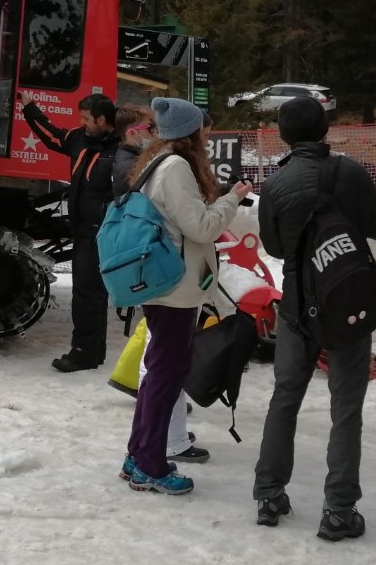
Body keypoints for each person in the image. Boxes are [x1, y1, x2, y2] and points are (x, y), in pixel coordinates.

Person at [252, 96, 376, 541]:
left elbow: (274, 248)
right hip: (348, 302)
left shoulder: (274, 185)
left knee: (285, 397)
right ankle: (339, 510)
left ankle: (269, 493)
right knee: (346, 408)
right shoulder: (349, 172)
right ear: (325, 130)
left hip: (295, 307)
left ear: (283, 134)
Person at [123, 97, 252, 495]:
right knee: (167, 375)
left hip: (160, 280)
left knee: (160, 372)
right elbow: (200, 228)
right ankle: (151, 465)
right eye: (204, 129)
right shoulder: (177, 166)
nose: (208, 136)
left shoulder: (154, 161)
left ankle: (138, 454)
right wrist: (232, 198)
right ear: (191, 132)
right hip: (175, 288)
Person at [20, 90, 119, 372]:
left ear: (103, 120)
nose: (83, 123)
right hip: (84, 230)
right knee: (87, 292)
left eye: (87, 119)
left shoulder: (122, 148)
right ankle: (90, 350)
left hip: (106, 230)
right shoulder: (79, 138)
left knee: (91, 292)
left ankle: (84, 352)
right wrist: (30, 109)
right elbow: (51, 136)